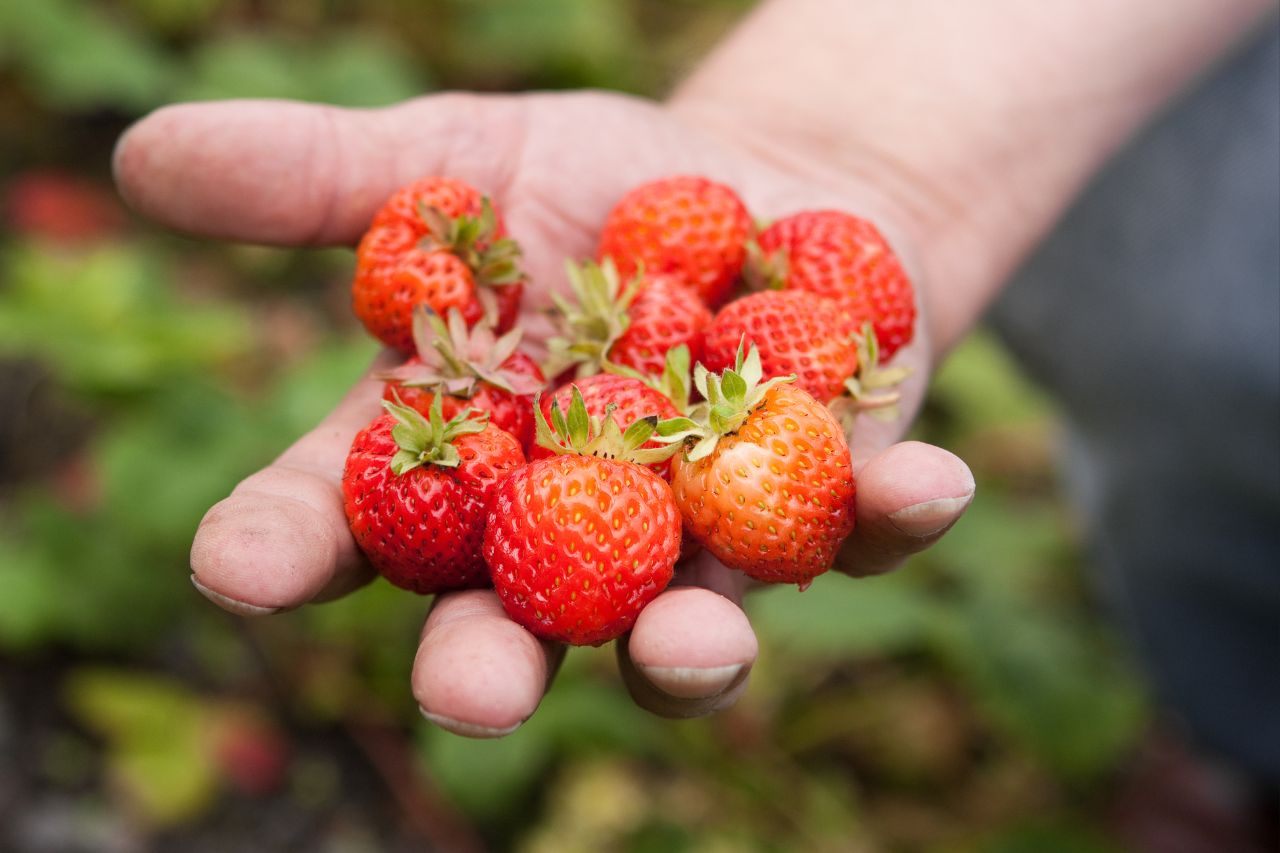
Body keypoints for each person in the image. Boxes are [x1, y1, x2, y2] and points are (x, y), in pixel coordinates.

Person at [112, 0, 1277, 818]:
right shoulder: (588, 422)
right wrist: (874, 138)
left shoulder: (678, 385)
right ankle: (1233, 731)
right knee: (1183, 378)